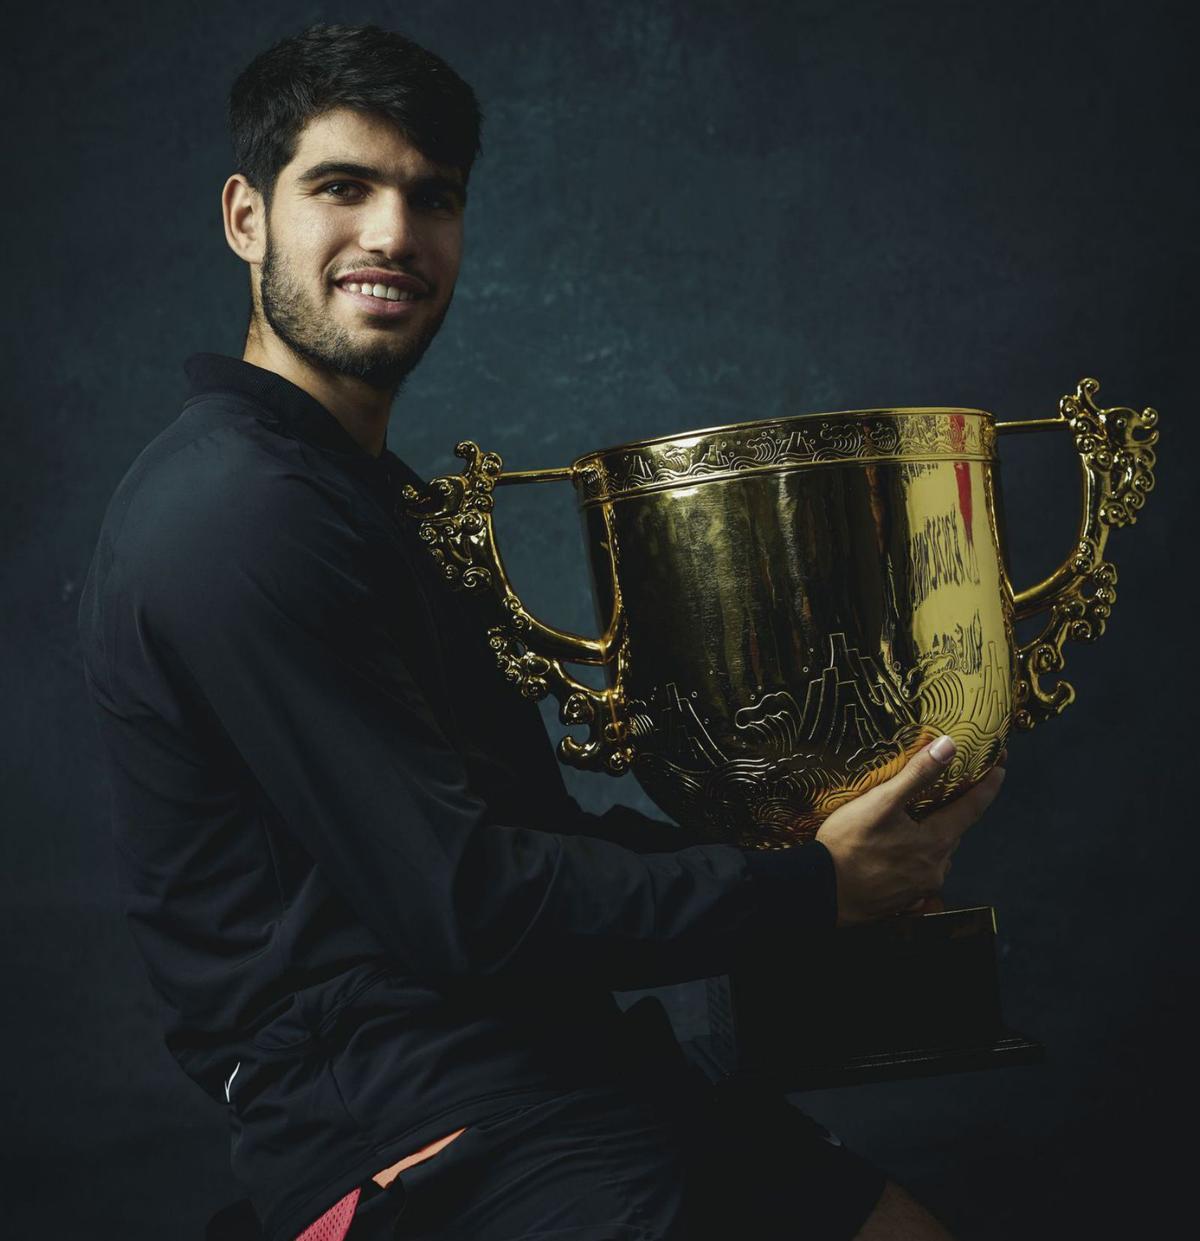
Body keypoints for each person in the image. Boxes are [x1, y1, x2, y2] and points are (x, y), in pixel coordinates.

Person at [77, 22, 1006, 1241]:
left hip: (553, 1063)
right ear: (248, 216)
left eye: (432, 197)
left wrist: (820, 852)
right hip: (417, 1129)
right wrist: (809, 889)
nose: (394, 235)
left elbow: (525, 831)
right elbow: (468, 899)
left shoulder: (356, 495)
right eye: (342, 186)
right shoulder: (234, 513)